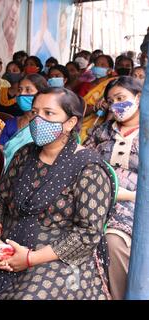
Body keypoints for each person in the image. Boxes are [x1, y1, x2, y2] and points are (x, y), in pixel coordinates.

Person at [0, 87, 116, 300]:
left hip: (56, 254)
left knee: (29, 296)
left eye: (49, 113)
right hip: (9, 240)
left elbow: (89, 232)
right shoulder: (24, 154)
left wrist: (30, 258)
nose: (38, 119)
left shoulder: (88, 167)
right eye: (35, 112)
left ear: (70, 123)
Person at [83, 76, 142, 300]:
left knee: (112, 241)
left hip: (137, 203)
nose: (116, 105)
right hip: (98, 198)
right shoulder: (101, 132)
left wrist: (133, 195)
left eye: (121, 98)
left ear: (138, 99)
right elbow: (84, 162)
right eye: (111, 100)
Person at [0, 74, 48, 146]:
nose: (21, 93)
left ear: (41, 94)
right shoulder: (10, 123)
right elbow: (0, 149)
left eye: (28, 90)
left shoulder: (48, 126)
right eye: (19, 90)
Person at [78, 55, 117, 142]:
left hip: (101, 124)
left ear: (110, 70)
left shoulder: (113, 84)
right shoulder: (85, 85)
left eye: (102, 65)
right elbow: (79, 108)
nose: (98, 67)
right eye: (96, 64)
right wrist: (94, 107)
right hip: (81, 123)